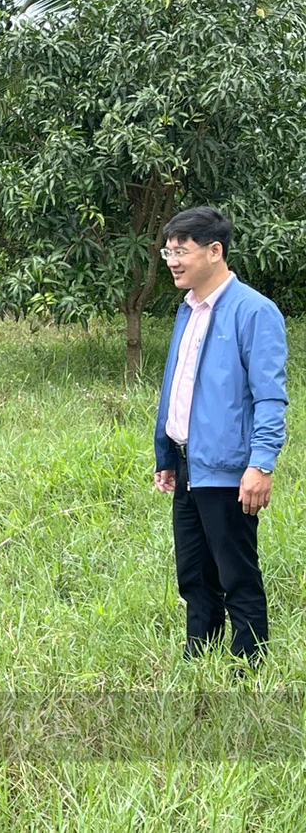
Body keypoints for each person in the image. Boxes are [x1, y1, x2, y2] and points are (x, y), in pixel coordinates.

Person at [153, 206, 288, 666]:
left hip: (230, 466)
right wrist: (167, 453)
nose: (172, 260)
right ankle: (201, 657)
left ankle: (249, 668)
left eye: (181, 251)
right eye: (168, 251)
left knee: (236, 573)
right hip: (189, 461)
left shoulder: (254, 312)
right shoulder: (188, 309)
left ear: (215, 251)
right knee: (193, 572)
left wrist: (261, 463)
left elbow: (270, 398)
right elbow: (180, 385)